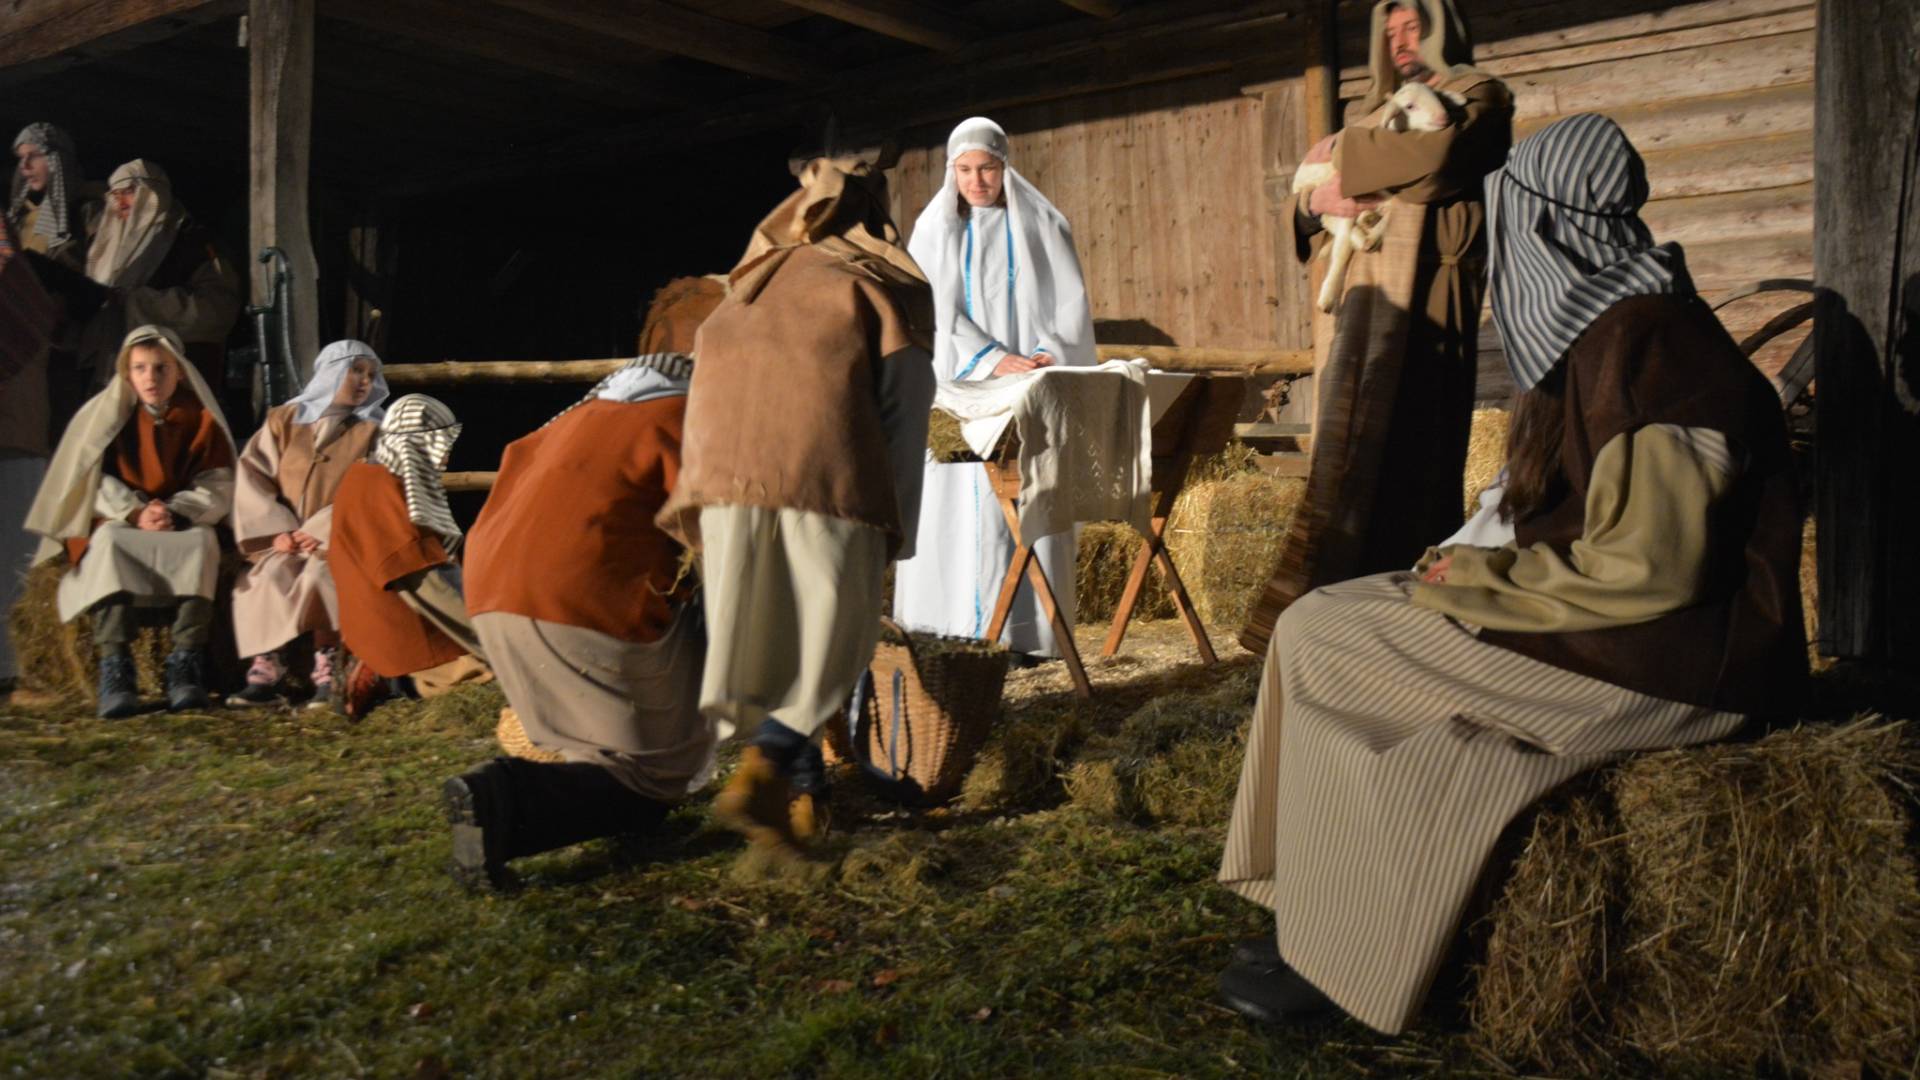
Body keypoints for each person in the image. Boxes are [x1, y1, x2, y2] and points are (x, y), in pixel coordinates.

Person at [1214, 114, 1808, 1033]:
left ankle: (1349, 961)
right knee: (1333, 621)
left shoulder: (1657, 347)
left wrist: (1473, 588)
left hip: (1664, 663)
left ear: (1541, 227)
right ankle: (1320, 915)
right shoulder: (1620, 332)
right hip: (1613, 633)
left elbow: (1649, 573)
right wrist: (1471, 568)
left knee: (1325, 635)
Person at [656, 157, 935, 864]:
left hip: (725, 486)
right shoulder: (871, 288)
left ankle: (798, 796)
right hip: (823, 479)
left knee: (765, 637)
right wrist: (895, 519)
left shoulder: (741, 289)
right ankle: (768, 772)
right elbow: (904, 410)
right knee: (832, 642)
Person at [1240, 0, 1513, 653]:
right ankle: (1323, 618)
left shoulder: (1480, 94)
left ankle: (1405, 625)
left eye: (1413, 27)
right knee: (1345, 453)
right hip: (1363, 297)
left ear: (1443, 28)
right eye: (1388, 33)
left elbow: (1438, 153)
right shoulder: (1370, 113)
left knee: (1414, 453)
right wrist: (1316, 198)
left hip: (1429, 293)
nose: (1400, 43)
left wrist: (1345, 155)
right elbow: (1312, 199)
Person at [448, 354, 710, 890]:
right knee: (652, 777)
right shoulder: (678, 421)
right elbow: (718, 531)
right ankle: (504, 799)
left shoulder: (566, 424)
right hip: (578, 600)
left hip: (492, 598)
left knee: (605, 757)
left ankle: (509, 808)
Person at [892, 116, 1097, 660]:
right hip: (960, 385)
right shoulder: (933, 231)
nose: (977, 180)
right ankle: (950, 630)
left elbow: (1068, 303)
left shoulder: (1042, 224)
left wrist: (1046, 353)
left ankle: (1026, 636)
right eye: (965, 170)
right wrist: (991, 357)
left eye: (986, 168)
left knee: (1026, 496)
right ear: (950, 172)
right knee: (957, 504)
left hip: (1026, 389)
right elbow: (931, 311)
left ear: (1005, 167)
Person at [23, 324, 236, 718]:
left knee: (203, 544)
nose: (150, 378)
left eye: (161, 368)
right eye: (140, 368)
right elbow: (89, 477)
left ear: (179, 372)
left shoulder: (199, 417)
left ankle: (184, 664)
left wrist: (175, 510)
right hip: (121, 517)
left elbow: (219, 481)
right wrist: (136, 511)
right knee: (110, 545)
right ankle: (115, 666)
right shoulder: (105, 415)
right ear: (127, 373)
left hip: (180, 519)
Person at [228, 341, 389, 704]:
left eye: (371, 374)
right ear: (331, 372)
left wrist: (320, 531)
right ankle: (269, 666)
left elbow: (373, 491)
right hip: (283, 538)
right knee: (268, 576)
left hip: (338, 540)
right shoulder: (284, 422)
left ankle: (327, 666)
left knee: (321, 577)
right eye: (356, 370)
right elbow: (253, 475)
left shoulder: (373, 432)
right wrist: (277, 531)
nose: (364, 381)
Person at [327, 393, 492, 718]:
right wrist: (494, 636)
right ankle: (388, 677)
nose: (445, 456)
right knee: (500, 671)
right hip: (399, 621)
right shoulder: (377, 486)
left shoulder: (381, 477)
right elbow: (424, 581)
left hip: (410, 610)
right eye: (436, 443)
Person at [81, 159, 241, 392]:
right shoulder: (107, 250)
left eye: (128, 192)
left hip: (173, 376)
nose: (119, 202)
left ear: (152, 193)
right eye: (115, 194)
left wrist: (138, 302)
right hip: (114, 376)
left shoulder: (191, 243)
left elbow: (218, 308)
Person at [0, 213, 62, 694]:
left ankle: (15, 665)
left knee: (14, 554)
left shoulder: (17, 285)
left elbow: (32, 333)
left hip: (15, 433)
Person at [9, 123, 97, 273]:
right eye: (22, 157)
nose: (25, 165)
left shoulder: (89, 212)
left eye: (35, 155)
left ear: (59, 160)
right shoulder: (20, 217)